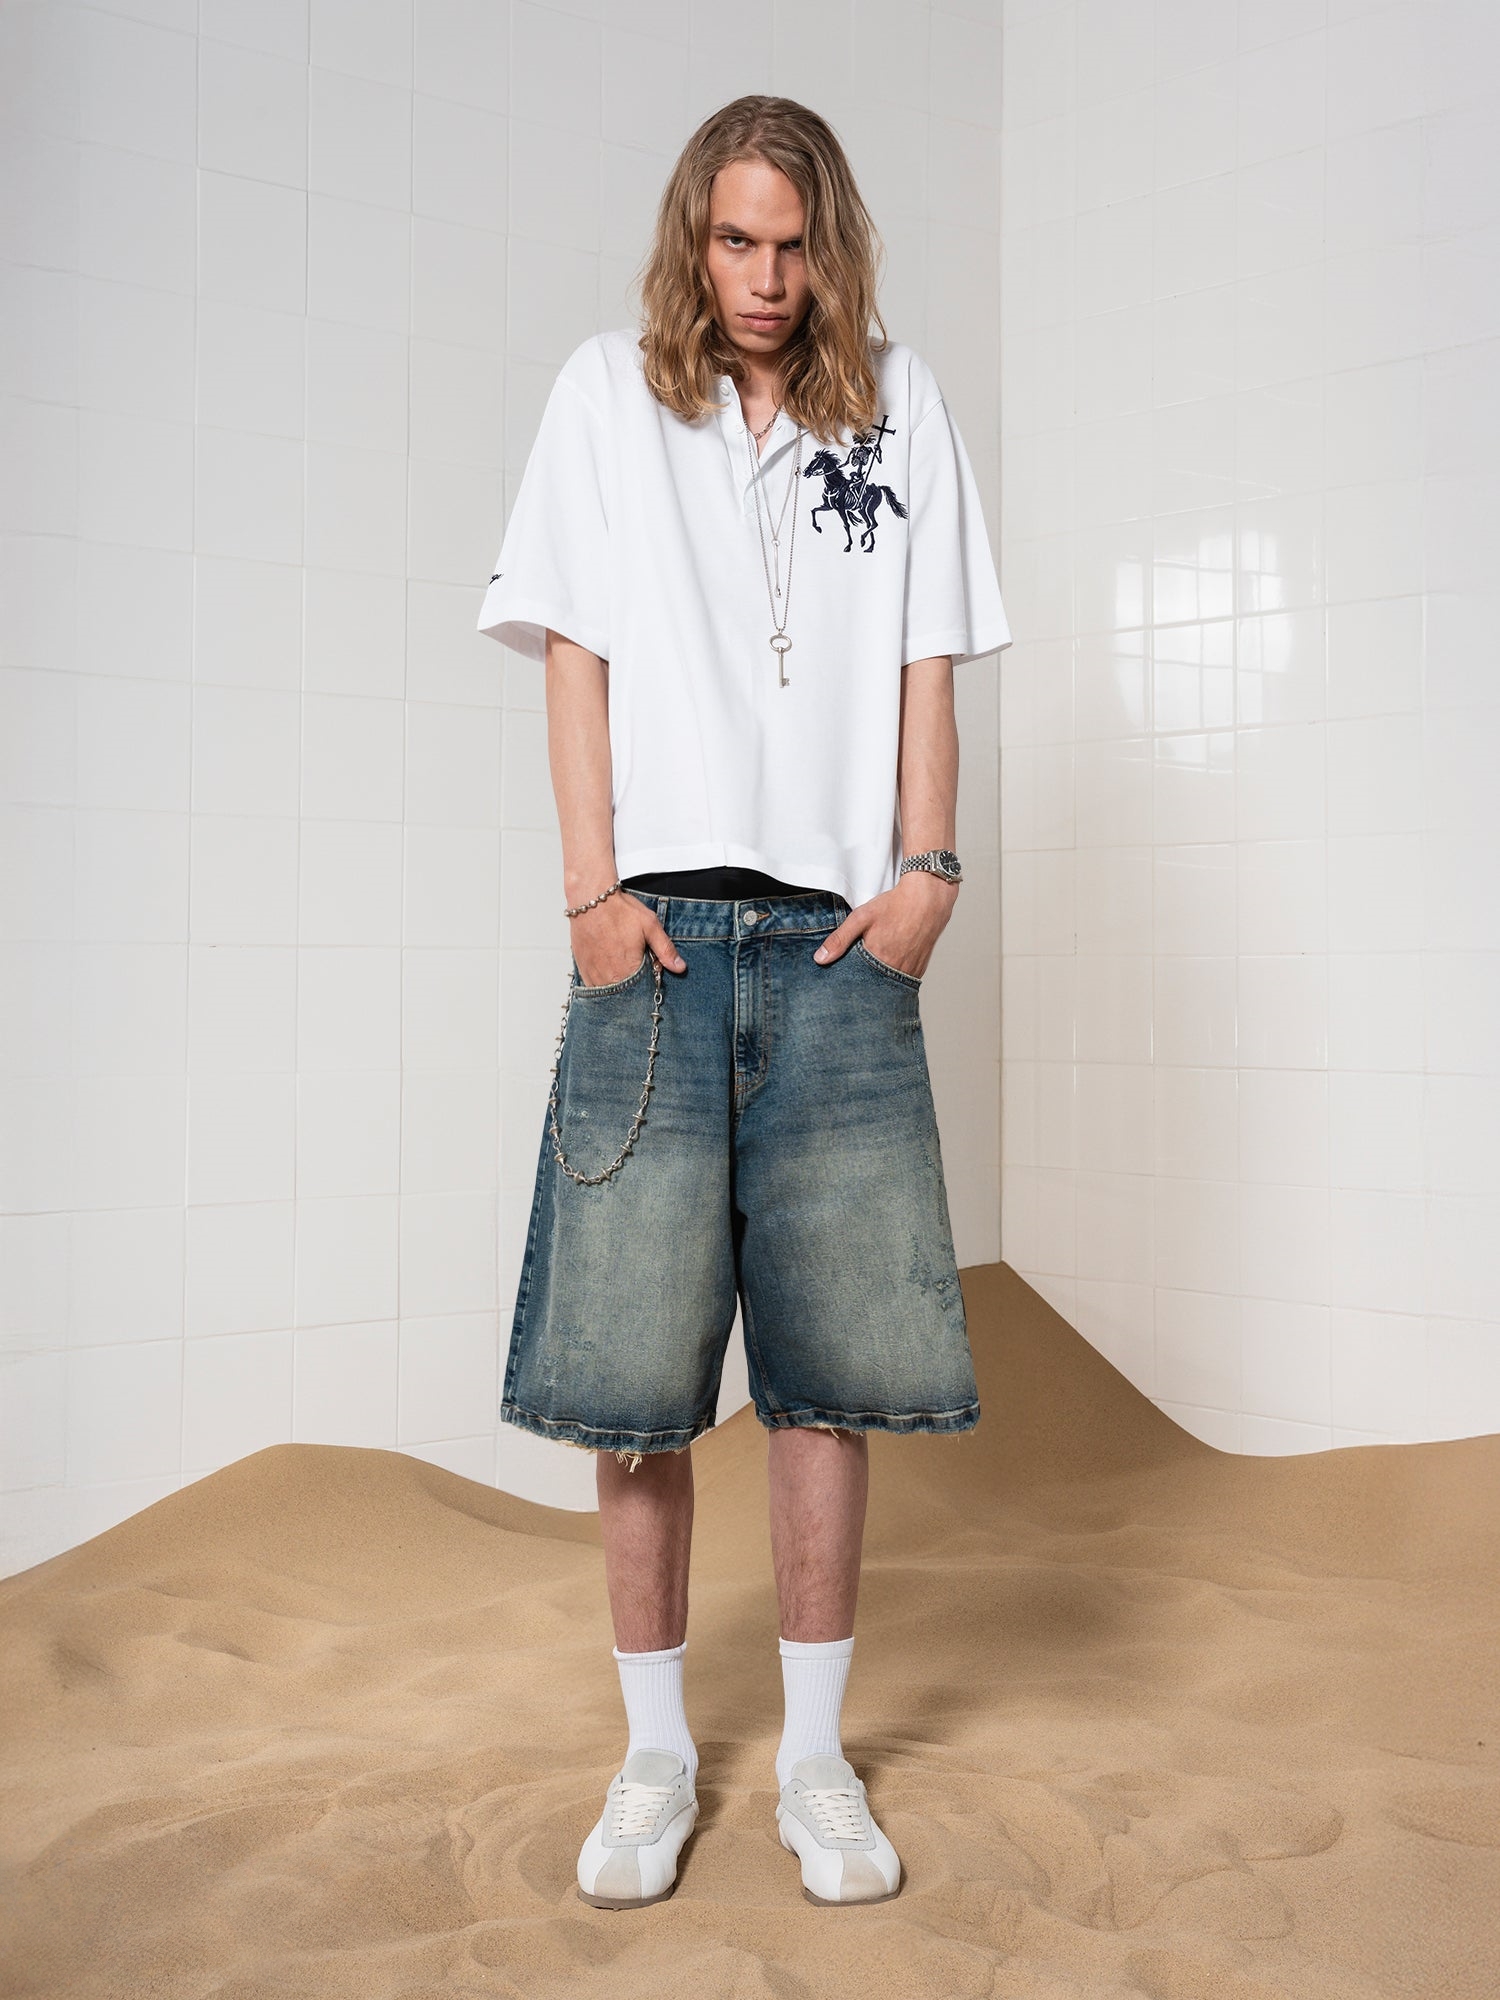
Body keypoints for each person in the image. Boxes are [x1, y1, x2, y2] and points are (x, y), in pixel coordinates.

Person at [477, 94, 1010, 1911]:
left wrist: (929, 873)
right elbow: (572, 652)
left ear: (829, 245)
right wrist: (591, 894)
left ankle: (813, 1764)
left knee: (827, 1386)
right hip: (657, 947)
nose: (765, 280)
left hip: (842, 946)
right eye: (734, 242)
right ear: (691, 239)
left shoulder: (902, 406)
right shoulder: (604, 397)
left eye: (792, 246)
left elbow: (929, 656)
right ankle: (651, 1761)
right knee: (636, 1389)